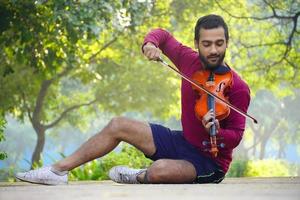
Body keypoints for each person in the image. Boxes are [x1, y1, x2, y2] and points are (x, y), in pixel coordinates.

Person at [15, 14, 250, 185]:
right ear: (197, 43)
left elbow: (236, 137)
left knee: (159, 171)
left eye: (219, 43)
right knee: (118, 125)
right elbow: (162, 35)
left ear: (226, 43)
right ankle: (57, 172)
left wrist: (217, 132)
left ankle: (138, 175)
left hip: (209, 162)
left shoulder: (238, 88)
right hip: (182, 142)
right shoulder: (187, 60)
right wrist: (150, 43)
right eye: (206, 44)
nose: (213, 50)